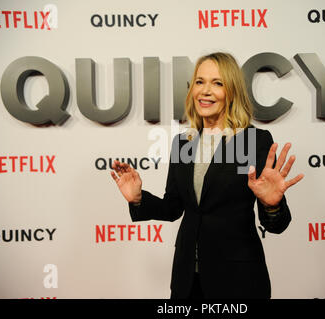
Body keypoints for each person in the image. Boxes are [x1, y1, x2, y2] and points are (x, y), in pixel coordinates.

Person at [110, 52, 304, 299]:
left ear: (232, 91)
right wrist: (138, 199)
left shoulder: (252, 141)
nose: (205, 91)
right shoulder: (184, 143)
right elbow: (173, 208)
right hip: (187, 281)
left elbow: (276, 225)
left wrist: (271, 205)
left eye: (218, 83)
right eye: (200, 82)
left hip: (238, 282)